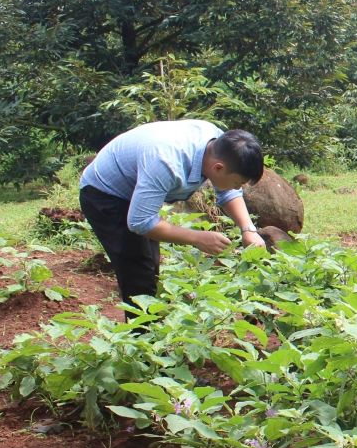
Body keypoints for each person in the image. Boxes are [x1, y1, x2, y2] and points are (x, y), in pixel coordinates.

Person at [79, 120, 267, 314]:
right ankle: (139, 339)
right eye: (237, 182)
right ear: (218, 168)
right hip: (105, 193)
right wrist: (197, 238)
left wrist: (248, 229)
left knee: (150, 265)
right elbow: (141, 222)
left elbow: (227, 192)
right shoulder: (166, 162)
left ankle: (149, 328)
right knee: (138, 271)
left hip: (137, 188)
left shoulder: (219, 143)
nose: (238, 188)